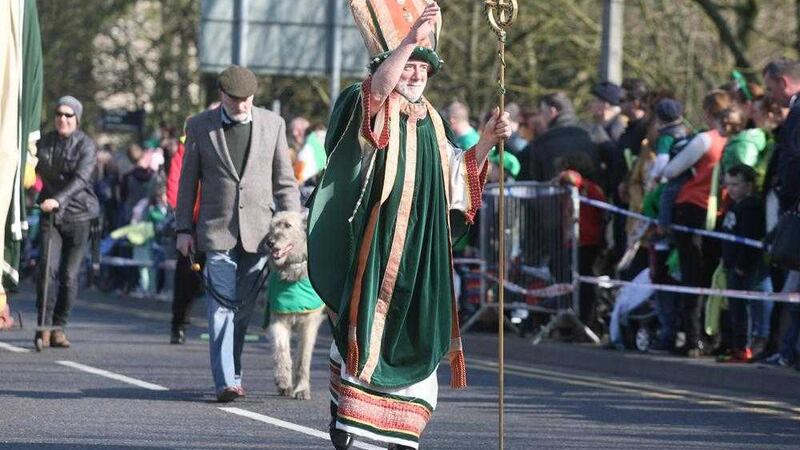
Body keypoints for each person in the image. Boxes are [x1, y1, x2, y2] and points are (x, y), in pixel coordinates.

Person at [307, 2, 511, 449]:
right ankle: (354, 425)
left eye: (423, 67)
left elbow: (454, 180)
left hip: (423, 255)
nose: (416, 74)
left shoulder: (433, 120)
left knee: (419, 332)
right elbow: (376, 96)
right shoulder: (363, 99)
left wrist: (487, 142)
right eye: (409, 65)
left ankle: (399, 430)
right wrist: (409, 39)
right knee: (369, 329)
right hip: (376, 246)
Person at [175, 65, 301, 402]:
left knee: (243, 311)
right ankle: (226, 382)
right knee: (220, 308)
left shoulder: (272, 125)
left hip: (261, 235)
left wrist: (293, 230)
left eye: (247, 100)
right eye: (235, 100)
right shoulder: (200, 126)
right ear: (222, 96)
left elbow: (285, 182)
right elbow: (188, 184)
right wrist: (183, 228)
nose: (242, 106)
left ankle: (235, 370)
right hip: (216, 234)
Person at [662, 90, 731, 357]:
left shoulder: (705, 139)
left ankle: (693, 338)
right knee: (714, 275)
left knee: (692, 276)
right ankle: (712, 335)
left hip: (694, 208)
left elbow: (670, 171)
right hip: (722, 211)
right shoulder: (734, 139)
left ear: (708, 113)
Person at [34, 96, 99, 348]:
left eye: (69, 115)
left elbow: (81, 179)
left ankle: (59, 326)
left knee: (69, 276)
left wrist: (57, 200)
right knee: (46, 270)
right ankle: (43, 326)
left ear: (77, 119)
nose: (63, 119)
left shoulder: (86, 146)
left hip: (79, 215)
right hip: (50, 215)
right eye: (59, 114)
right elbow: (31, 169)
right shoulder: (44, 142)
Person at [718, 165, 769, 363]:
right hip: (731, 265)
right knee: (734, 309)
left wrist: (741, 266)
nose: (731, 189)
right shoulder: (733, 206)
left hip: (744, 269)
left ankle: (745, 347)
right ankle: (736, 347)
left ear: (749, 186)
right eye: (728, 184)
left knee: (745, 308)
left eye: (736, 184)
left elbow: (750, 240)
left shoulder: (751, 208)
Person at [518, 91, 600, 182]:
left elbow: (537, 181)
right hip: (593, 193)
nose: (541, 116)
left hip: (555, 193)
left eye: (542, 111)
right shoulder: (594, 130)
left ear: (552, 111)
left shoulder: (542, 142)